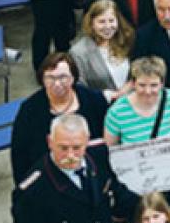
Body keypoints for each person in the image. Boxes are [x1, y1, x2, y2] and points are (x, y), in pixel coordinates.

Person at [12, 113, 139, 223]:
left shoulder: (99, 156)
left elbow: (117, 191)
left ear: (87, 141)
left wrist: (158, 211)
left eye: (77, 147)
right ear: (50, 142)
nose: (70, 155)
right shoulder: (32, 192)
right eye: (63, 148)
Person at [103, 56, 170, 210]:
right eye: (142, 85)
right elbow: (110, 146)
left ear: (162, 83)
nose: (148, 91)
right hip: (138, 182)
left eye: (154, 85)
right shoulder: (118, 111)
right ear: (133, 83)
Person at [10, 52, 109, 183]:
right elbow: (19, 155)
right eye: (50, 78)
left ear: (73, 78)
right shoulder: (29, 110)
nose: (57, 84)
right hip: (48, 179)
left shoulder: (93, 101)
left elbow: (106, 142)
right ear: (42, 79)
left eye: (63, 77)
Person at [70, 0, 135, 102]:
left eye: (111, 21)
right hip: (101, 105)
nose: (107, 26)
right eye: (101, 22)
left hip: (132, 102)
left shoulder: (128, 40)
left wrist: (129, 86)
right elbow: (79, 87)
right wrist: (110, 96)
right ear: (91, 23)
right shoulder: (79, 52)